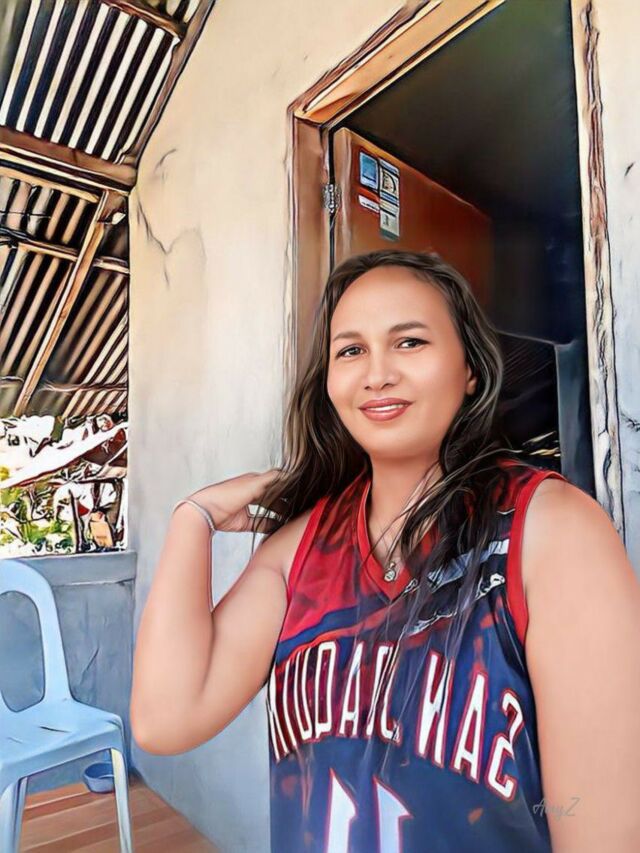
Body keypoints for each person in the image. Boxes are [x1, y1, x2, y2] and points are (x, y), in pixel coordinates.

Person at [130, 250, 640, 852]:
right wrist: (192, 520)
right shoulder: (299, 551)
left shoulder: (551, 533)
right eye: (351, 351)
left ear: (470, 369)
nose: (377, 375)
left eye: (410, 342)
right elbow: (166, 720)